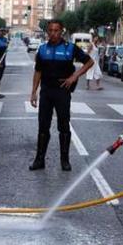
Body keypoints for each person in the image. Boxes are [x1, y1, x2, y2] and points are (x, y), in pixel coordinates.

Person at [29, 20, 93, 171]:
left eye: (56, 30)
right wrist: (33, 92)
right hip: (46, 92)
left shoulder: (70, 48)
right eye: (50, 30)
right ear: (47, 32)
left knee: (63, 126)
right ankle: (39, 160)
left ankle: (65, 160)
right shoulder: (42, 49)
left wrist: (74, 76)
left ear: (61, 31)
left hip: (62, 92)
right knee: (43, 126)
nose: (53, 33)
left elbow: (89, 62)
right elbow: (38, 71)